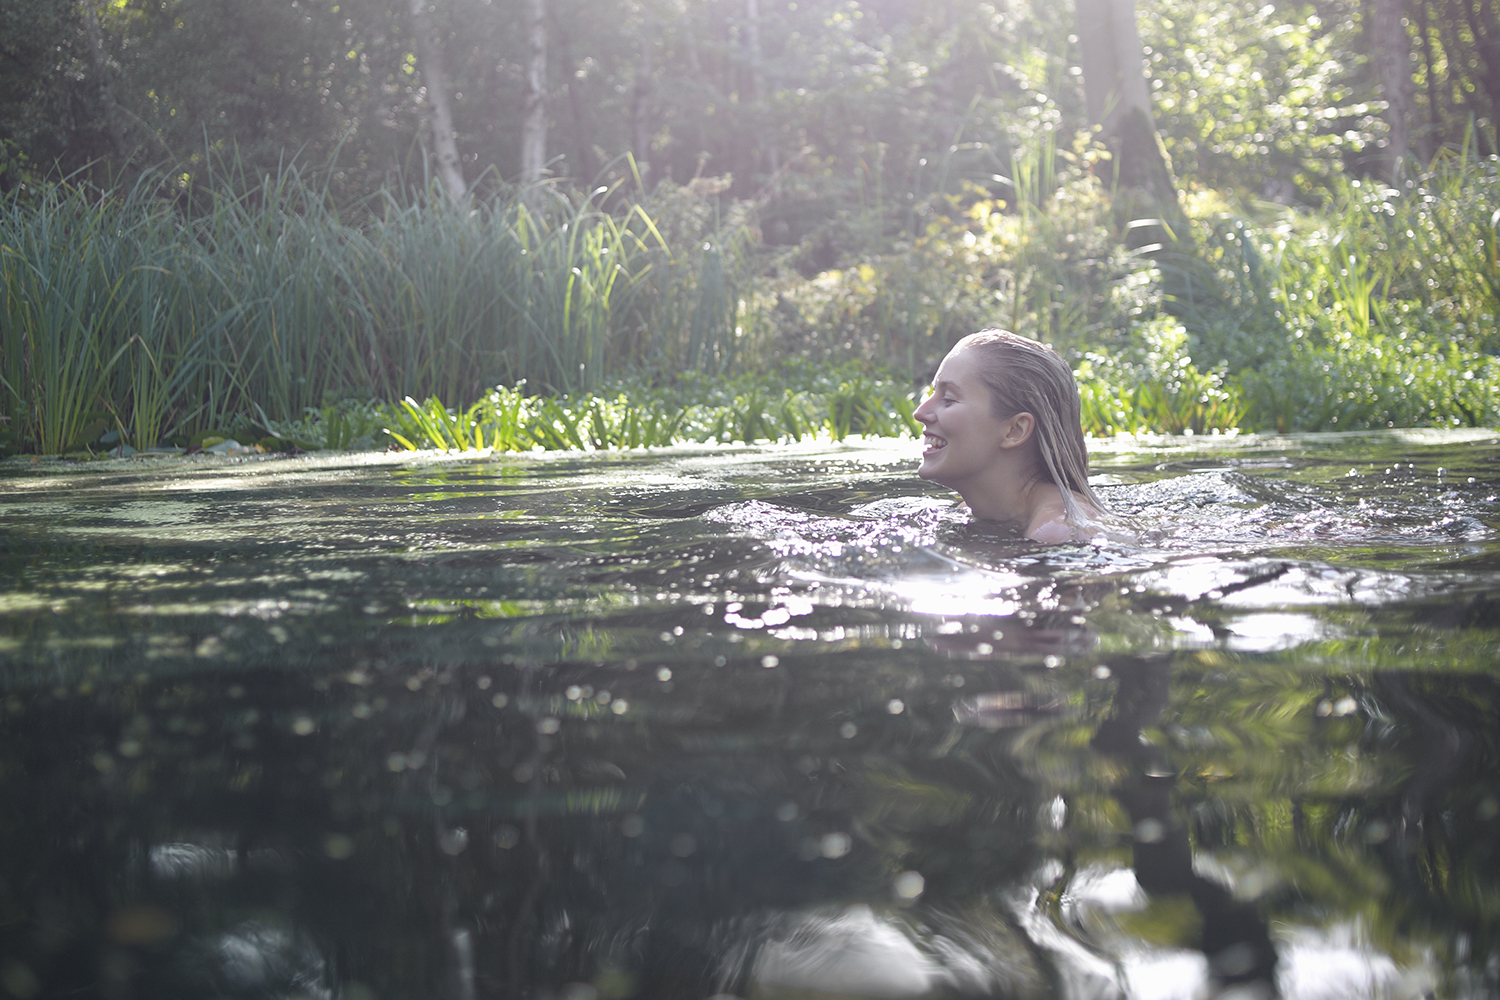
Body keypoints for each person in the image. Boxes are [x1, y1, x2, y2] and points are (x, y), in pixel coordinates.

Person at [913, 330, 1108, 543]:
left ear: (1015, 430)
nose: (920, 413)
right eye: (933, 394)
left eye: (949, 399)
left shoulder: (1059, 529)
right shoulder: (970, 512)